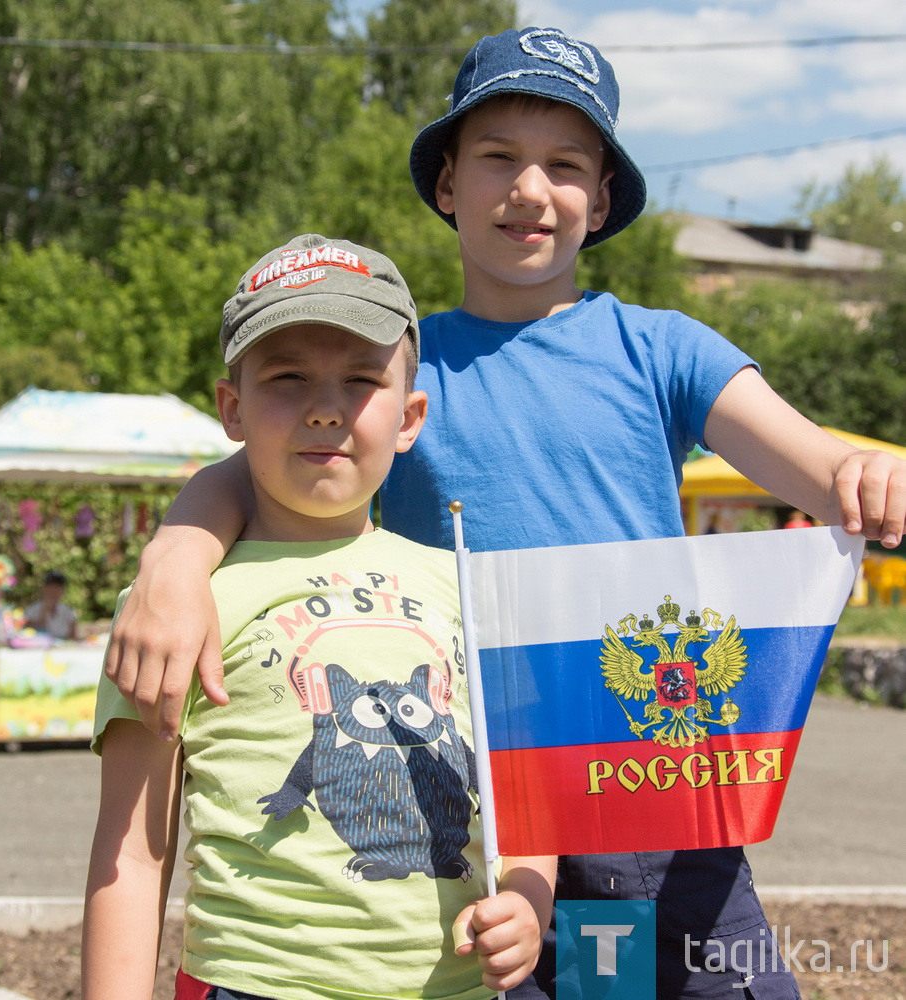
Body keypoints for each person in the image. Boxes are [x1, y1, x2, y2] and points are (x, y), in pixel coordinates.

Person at [101, 28, 906, 1000]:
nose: (530, 188)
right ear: (446, 184)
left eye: (566, 165)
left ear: (601, 199)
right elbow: (245, 473)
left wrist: (868, 476)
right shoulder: (395, 370)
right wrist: (175, 564)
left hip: (648, 772)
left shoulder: (664, 348)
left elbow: (823, 463)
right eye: (497, 158)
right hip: (486, 812)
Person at [82, 234, 555, 1000]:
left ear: (409, 418)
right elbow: (132, 855)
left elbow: (525, 805)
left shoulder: (468, 589)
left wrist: (530, 904)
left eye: (361, 380)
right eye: (288, 376)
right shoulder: (175, 605)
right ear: (231, 408)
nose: (326, 409)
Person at [24, 570, 77, 640]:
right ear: (44, 588)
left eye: (57, 587)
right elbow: (27, 633)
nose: (53, 591)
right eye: (50, 586)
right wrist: (44, 612)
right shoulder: (31, 610)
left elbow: (72, 638)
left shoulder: (68, 612)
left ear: (63, 591)